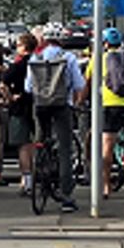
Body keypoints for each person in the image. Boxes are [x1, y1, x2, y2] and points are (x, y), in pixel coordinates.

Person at [27, 24, 86, 212]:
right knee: (65, 149)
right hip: (61, 105)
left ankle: (40, 172)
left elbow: (28, 87)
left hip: (40, 106)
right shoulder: (68, 58)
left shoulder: (35, 57)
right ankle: (67, 196)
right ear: (62, 39)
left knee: (41, 140)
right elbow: (79, 84)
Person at [94, 28, 124, 206]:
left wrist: (80, 101)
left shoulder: (98, 59)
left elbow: (87, 84)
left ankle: (106, 185)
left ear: (104, 44)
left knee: (107, 146)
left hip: (111, 105)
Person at [1, 29, 39, 191]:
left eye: (18, 45)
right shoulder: (39, 62)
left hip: (20, 107)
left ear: (24, 47)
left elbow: (2, 84)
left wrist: (9, 98)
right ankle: (41, 173)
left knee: (23, 145)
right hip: (40, 105)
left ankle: (27, 180)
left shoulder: (17, 66)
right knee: (36, 142)